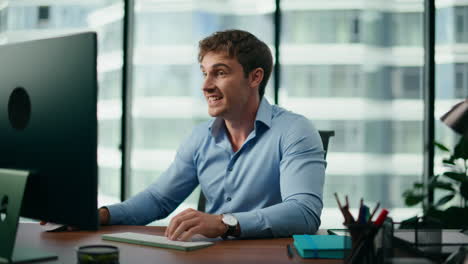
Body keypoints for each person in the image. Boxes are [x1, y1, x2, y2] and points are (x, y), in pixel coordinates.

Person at [99, 29, 326, 241]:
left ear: (255, 77)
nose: (205, 85)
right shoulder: (200, 137)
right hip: (210, 254)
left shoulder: (295, 130)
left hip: (269, 255)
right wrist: (102, 215)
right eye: (205, 73)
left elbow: (304, 212)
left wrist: (225, 223)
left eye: (219, 73)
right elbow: (158, 200)